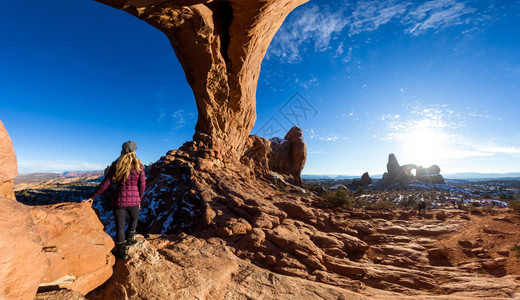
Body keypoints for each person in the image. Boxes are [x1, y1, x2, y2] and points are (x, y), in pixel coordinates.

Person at [83, 141, 146, 259]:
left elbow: (106, 183)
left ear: (122, 151)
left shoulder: (117, 165)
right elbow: (142, 185)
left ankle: (122, 252)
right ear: (134, 151)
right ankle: (130, 239)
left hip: (119, 200)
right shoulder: (139, 166)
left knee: (120, 227)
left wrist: (93, 197)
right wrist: (139, 200)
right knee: (134, 219)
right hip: (134, 200)